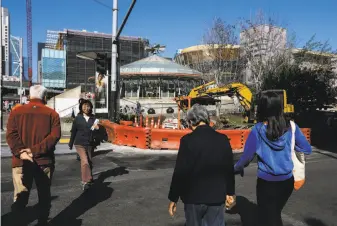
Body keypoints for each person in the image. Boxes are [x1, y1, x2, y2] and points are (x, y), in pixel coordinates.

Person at [234, 91, 312, 226]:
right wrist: (290, 148)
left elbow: (246, 158)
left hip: (267, 183)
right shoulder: (291, 127)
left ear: (262, 108)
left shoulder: (257, 130)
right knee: (274, 214)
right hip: (287, 182)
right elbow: (307, 149)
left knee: (270, 218)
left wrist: (235, 168)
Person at [168, 104, 235, 226]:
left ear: (191, 122)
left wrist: (174, 198)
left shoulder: (187, 141)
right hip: (217, 196)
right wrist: (230, 192)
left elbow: (180, 171)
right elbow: (228, 169)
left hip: (193, 197)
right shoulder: (223, 139)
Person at [6, 85, 61, 226]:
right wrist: (34, 150)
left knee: (20, 198)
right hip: (44, 162)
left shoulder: (16, 112)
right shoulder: (52, 114)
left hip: (20, 161)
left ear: (29, 96)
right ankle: (42, 222)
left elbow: (11, 135)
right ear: (45, 97)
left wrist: (22, 152)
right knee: (44, 196)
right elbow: (54, 137)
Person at [68, 99, 99, 190]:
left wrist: (97, 129)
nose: (86, 108)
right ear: (81, 107)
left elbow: (96, 133)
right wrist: (70, 143)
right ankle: (85, 181)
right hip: (79, 143)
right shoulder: (78, 118)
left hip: (89, 143)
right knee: (85, 161)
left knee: (89, 161)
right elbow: (73, 131)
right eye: (84, 106)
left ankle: (90, 177)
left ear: (91, 107)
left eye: (88, 106)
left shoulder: (94, 119)